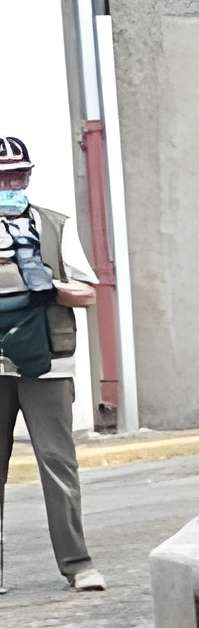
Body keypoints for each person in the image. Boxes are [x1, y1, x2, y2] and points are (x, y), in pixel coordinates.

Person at [0, 136, 105, 593]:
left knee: (58, 463)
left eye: (17, 176)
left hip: (49, 363)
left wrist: (46, 286)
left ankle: (77, 564)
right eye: (2, 178)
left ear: (28, 176)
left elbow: (89, 293)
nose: (10, 185)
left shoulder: (54, 226)